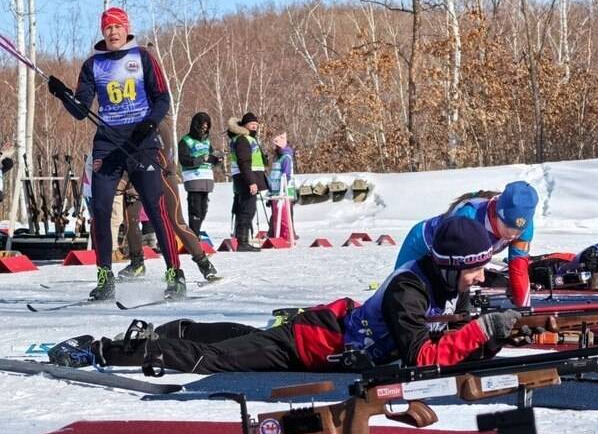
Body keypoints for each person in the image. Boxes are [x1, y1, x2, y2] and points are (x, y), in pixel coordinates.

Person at [48, 217, 522, 373]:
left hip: (329, 332)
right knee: (214, 361)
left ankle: (180, 328)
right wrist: (479, 331)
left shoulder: (440, 283)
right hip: (313, 344)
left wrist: (489, 334)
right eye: (479, 269)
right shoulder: (410, 291)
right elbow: (422, 358)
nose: (484, 276)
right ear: (453, 266)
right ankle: (104, 350)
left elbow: (446, 339)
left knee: (236, 342)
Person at [46, 7, 185, 300]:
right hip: (108, 143)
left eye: (118, 27)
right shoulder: (92, 65)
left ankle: (175, 273)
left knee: (156, 208)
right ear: (103, 31)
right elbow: (81, 112)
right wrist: (62, 94)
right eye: (108, 27)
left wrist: (150, 122)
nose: (113, 32)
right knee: (100, 209)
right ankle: (105, 276)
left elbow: (162, 98)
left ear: (127, 29)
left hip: (142, 141)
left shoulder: (143, 58)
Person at [395, 181, 539, 307]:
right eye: (507, 226)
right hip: (421, 244)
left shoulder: (525, 225)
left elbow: (519, 269)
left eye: (518, 230)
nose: (512, 235)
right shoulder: (469, 216)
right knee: (402, 294)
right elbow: (451, 273)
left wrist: (524, 311)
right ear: (496, 213)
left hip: (455, 257)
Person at [119, 118, 219, 280]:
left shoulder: (158, 122)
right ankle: (137, 263)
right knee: (130, 218)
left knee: (176, 221)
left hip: (162, 175)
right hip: (136, 177)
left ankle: (204, 263)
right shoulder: (125, 120)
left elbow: (163, 158)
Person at [228, 113, 267, 251]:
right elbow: (244, 162)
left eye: (256, 125)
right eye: (252, 125)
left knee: (246, 209)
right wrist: (251, 182)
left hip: (246, 177)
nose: (255, 127)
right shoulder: (243, 139)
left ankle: (242, 240)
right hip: (246, 178)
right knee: (247, 210)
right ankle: (242, 242)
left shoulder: (248, 139)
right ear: (244, 125)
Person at [179, 112, 221, 237]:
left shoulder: (207, 142)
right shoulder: (186, 141)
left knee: (203, 210)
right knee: (195, 209)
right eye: (202, 126)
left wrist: (217, 160)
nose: (205, 129)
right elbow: (183, 159)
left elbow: (211, 159)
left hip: (207, 180)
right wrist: (200, 159)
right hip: (194, 179)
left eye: (207, 127)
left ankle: (195, 233)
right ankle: (193, 236)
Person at [266, 131, 296, 242]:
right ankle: (276, 235)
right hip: (275, 192)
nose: (275, 148)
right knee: (275, 216)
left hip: (284, 192)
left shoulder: (286, 157)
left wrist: (283, 191)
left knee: (284, 216)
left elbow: (286, 175)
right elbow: (274, 176)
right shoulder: (278, 158)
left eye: (276, 146)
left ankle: (286, 236)